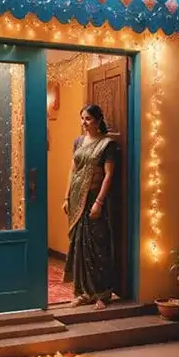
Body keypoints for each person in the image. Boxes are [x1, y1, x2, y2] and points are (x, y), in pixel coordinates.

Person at [62, 104, 118, 310]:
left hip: (95, 198)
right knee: (78, 246)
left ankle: (103, 294)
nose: (84, 123)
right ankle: (82, 293)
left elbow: (109, 175)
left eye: (88, 119)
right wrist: (66, 197)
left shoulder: (107, 145)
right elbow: (73, 169)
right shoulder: (78, 142)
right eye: (82, 118)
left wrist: (99, 202)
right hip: (77, 199)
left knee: (97, 247)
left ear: (98, 120)